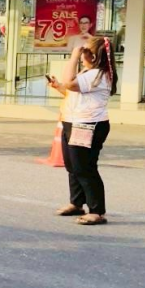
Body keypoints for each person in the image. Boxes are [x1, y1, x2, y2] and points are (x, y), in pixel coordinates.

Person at [47, 36, 115, 226]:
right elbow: (72, 92)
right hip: (73, 121)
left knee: (84, 167)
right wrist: (59, 87)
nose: (81, 55)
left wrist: (74, 56)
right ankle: (76, 203)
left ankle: (97, 211)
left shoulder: (98, 75)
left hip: (87, 124)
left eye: (84, 52)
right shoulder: (89, 72)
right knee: (72, 166)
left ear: (92, 56)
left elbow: (69, 82)